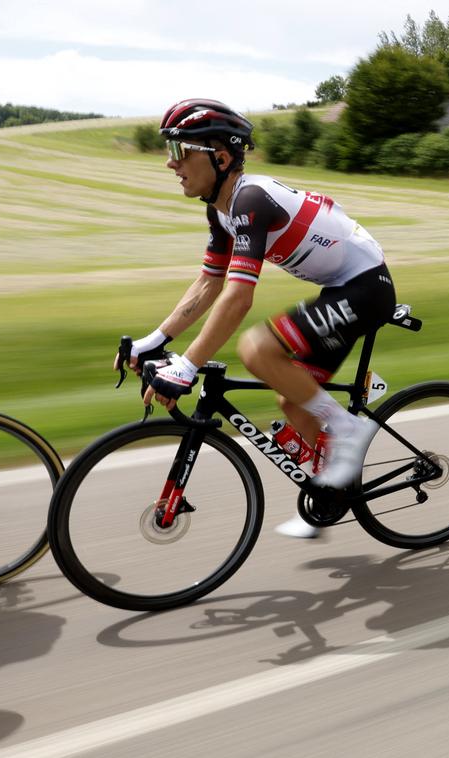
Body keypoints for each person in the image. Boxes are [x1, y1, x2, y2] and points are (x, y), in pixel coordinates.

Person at [119, 98, 397, 538]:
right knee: (293, 399)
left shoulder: (250, 199)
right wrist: (154, 341)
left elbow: (238, 298)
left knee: (256, 348)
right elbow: (209, 284)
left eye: (179, 152)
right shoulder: (221, 210)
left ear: (221, 158)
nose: (171, 165)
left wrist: (187, 366)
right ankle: (331, 493)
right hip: (343, 289)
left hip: (366, 287)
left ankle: (348, 429)